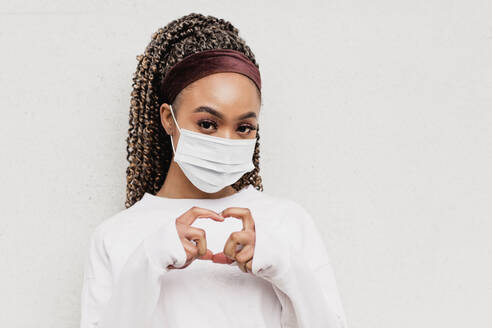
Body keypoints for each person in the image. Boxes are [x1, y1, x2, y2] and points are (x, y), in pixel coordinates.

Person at [79, 12, 348, 328]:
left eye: (244, 127)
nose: (226, 141)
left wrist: (285, 267)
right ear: (168, 118)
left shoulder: (288, 223)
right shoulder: (116, 237)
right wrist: (148, 262)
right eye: (207, 124)